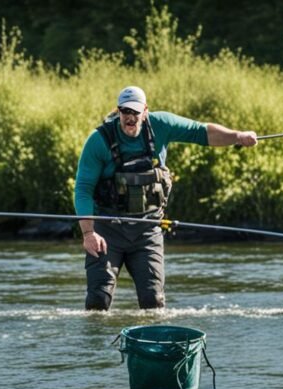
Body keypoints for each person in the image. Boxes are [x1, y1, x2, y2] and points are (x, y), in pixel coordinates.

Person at [74, 86, 258, 310]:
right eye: (125, 112)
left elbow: (201, 132)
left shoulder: (161, 125)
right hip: (107, 230)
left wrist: (237, 136)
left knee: (153, 301)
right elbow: (83, 189)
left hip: (147, 230)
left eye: (135, 112)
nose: (130, 118)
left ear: (145, 111)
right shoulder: (98, 140)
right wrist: (88, 233)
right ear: (119, 111)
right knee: (97, 302)